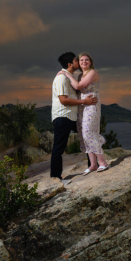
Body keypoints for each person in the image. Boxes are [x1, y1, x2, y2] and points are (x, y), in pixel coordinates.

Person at [58, 52, 109, 174]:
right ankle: (93, 165)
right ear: (79, 63)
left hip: (91, 105)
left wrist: (67, 74)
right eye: (81, 60)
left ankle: (103, 162)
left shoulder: (92, 73)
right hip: (82, 106)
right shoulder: (80, 74)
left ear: (90, 62)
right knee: (82, 134)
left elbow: (79, 86)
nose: (84, 62)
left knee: (88, 133)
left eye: (86, 60)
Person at [51, 52, 97, 184]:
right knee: (58, 148)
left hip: (72, 116)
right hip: (62, 116)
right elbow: (63, 100)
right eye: (76, 60)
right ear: (70, 64)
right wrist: (84, 102)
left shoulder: (70, 77)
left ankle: (94, 166)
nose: (78, 62)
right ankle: (56, 179)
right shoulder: (61, 78)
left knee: (88, 136)